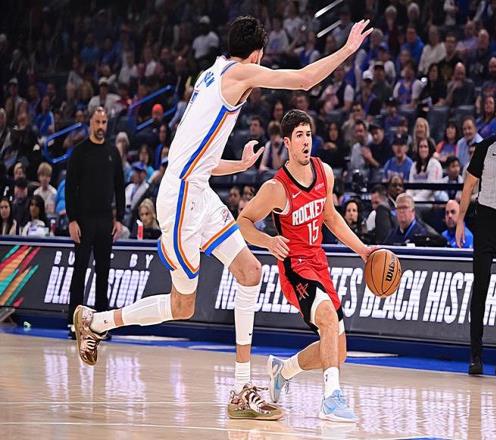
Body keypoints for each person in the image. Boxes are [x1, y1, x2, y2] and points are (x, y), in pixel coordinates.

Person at [71, 16, 373, 420]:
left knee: (250, 271)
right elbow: (302, 79)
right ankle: (97, 321)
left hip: (197, 190)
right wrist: (348, 49)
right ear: (257, 54)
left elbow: (199, 158)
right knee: (182, 306)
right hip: (182, 200)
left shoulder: (210, 75)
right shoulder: (238, 73)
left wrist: (240, 165)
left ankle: (241, 388)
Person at [238, 110, 373, 422]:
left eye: (308, 135)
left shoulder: (324, 172)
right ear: (287, 142)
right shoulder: (276, 187)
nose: (305, 141)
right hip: (294, 267)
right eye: (299, 136)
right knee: (327, 317)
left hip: (318, 262)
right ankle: (331, 399)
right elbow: (242, 222)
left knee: (338, 350)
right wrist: (267, 241)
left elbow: (330, 217)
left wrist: (363, 250)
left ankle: (283, 371)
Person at [66, 106, 125, 339]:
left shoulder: (112, 152)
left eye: (104, 122)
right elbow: (70, 188)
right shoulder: (79, 152)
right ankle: (74, 323)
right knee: (79, 270)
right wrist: (72, 220)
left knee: (103, 272)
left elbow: (120, 187)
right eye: (97, 122)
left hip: (105, 219)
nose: (101, 126)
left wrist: (119, 218)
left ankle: (101, 324)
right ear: (90, 122)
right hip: (83, 219)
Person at [456, 103, 496, 376]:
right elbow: (469, 185)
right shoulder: (485, 147)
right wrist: (460, 220)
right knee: (480, 289)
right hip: (485, 221)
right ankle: (476, 355)